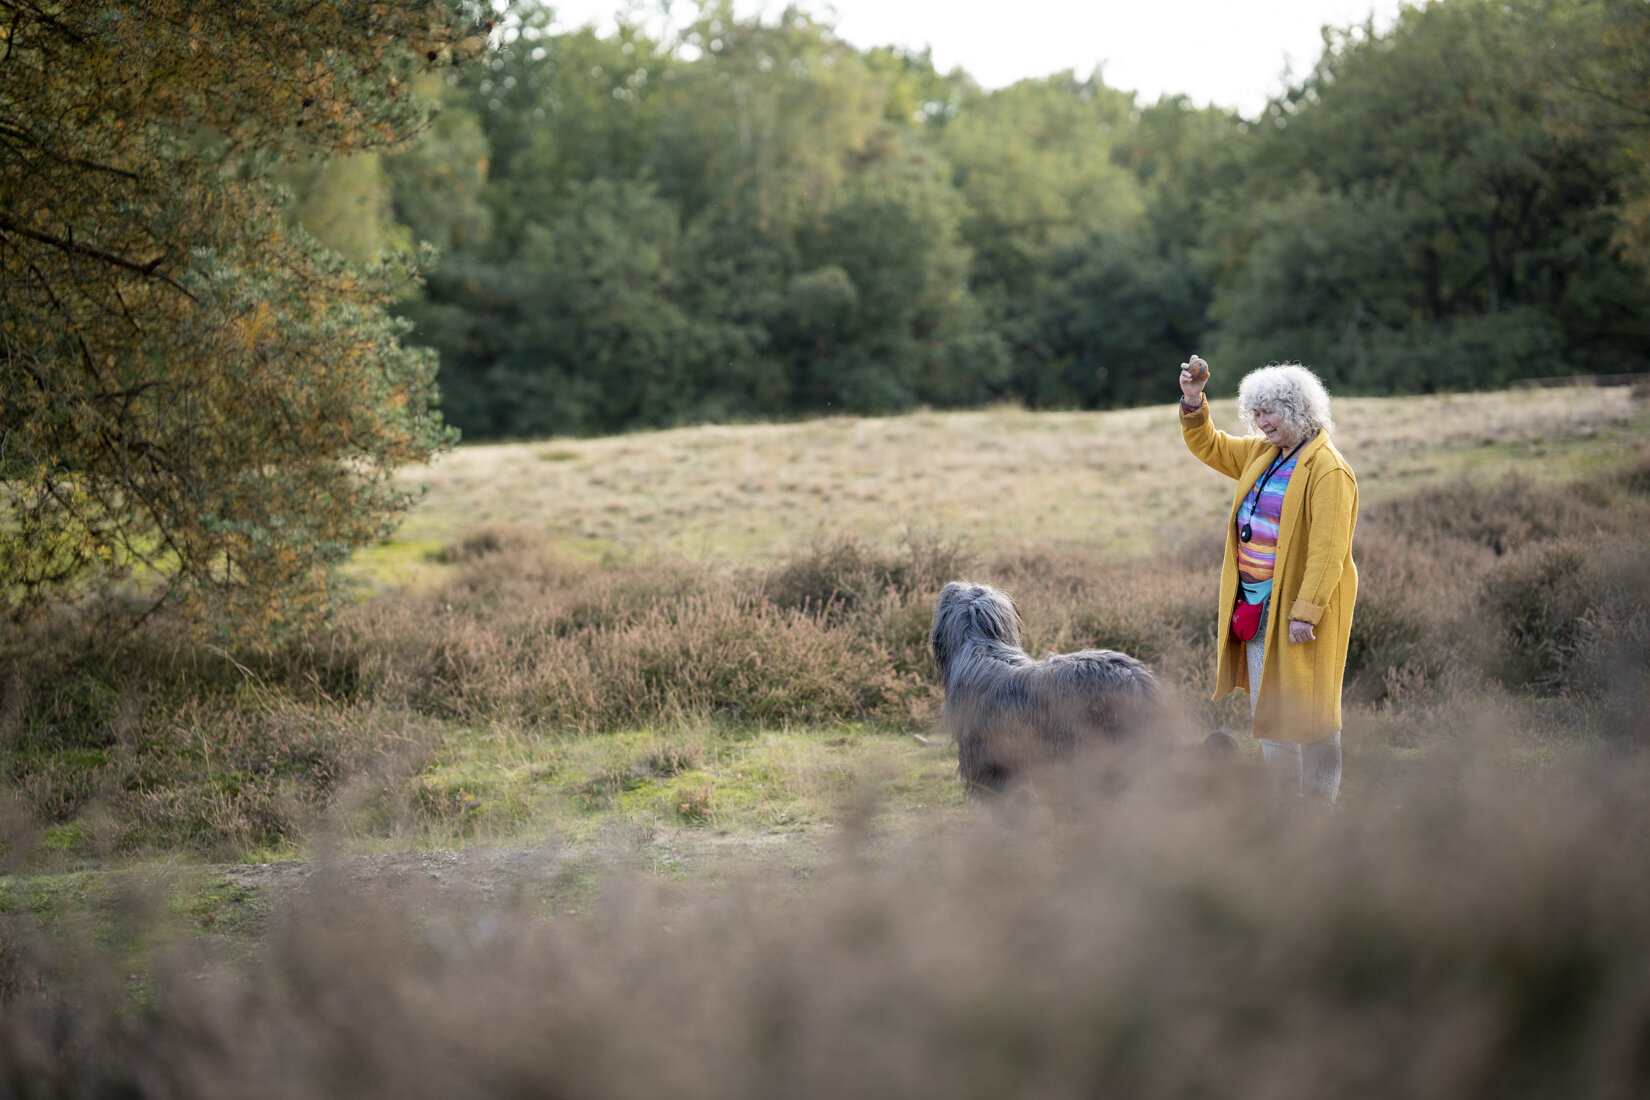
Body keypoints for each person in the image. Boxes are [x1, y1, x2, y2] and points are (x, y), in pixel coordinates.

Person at [1176, 354, 1358, 805]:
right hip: (1257, 610)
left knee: (1314, 717)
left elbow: (1328, 551)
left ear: (1297, 410)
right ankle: (1283, 808)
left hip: (1301, 617)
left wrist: (1306, 612)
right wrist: (1194, 400)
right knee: (1269, 714)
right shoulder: (1265, 453)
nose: (1260, 423)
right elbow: (1212, 446)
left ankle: (1319, 813)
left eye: (1269, 412)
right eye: (1255, 413)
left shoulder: (1328, 470)